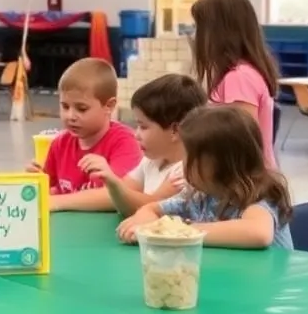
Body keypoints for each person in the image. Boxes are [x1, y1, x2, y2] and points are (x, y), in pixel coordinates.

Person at [117, 105, 294, 249]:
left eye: (187, 157)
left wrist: (179, 232)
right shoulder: (201, 196)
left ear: (220, 163)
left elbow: (258, 233)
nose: (182, 164)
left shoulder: (259, 195)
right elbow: (152, 209)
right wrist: (145, 223)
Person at [83, 73, 208, 216]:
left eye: (143, 127)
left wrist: (113, 182)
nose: (136, 135)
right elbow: (125, 201)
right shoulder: (152, 160)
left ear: (175, 130)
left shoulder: (187, 172)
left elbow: (147, 207)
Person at [29, 57, 142, 212]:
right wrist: (33, 182)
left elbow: (119, 196)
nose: (71, 116)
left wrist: (56, 202)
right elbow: (50, 190)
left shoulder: (125, 143)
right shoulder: (59, 144)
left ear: (109, 106)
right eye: (65, 106)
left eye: (81, 109)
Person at [191, 0, 279, 168]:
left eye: (199, 28)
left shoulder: (239, 78)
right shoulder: (242, 73)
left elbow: (240, 144)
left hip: (246, 186)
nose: (195, 35)